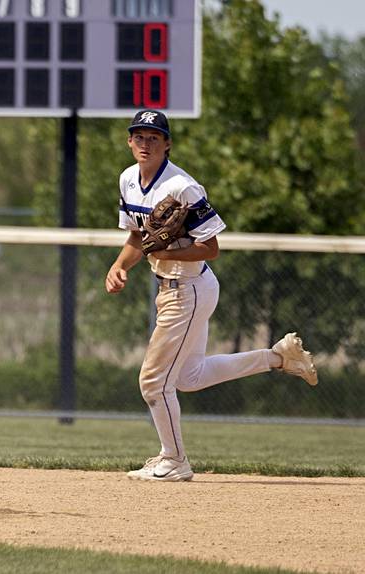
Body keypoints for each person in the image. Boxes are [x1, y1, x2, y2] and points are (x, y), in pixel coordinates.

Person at [105, 110, 318, 482]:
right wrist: (120, 266)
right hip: (173, 289)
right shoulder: (127, 179)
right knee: (189, 376)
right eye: (139, 136)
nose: (145, 143)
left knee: (153, 382)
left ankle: (174, 459)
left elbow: (211, 247)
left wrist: (165, 252)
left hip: (188, 290)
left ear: (167, 143)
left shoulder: (183, 187)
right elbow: (138, 239)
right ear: (129, 141)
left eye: (154, 137)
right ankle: (279, 358)